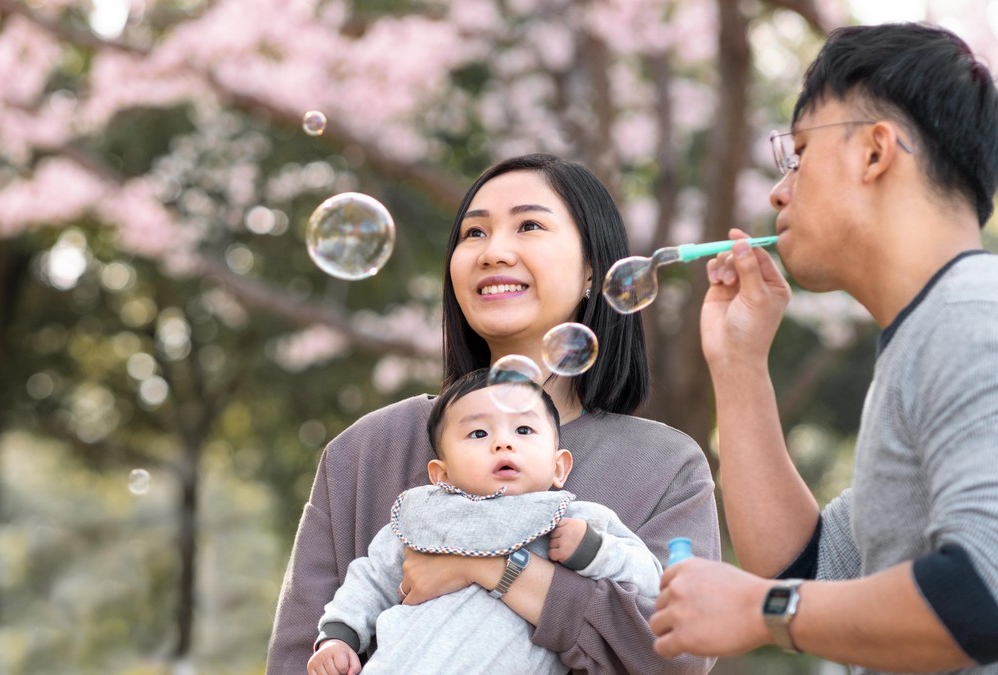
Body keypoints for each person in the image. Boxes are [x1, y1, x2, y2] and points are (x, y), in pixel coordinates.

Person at [268, 153, 719, 674]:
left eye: (529, 226)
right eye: (474, 233)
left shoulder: (665, 467)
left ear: (593, 270)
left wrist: (489, 569)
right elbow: (297, 658)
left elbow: (681, 652)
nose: (493, 252)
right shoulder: (367, 450)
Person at [650, 22, 998, 674]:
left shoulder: (973, 318)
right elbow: (806, 569)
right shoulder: (931, 331)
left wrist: (761, 609)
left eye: (800, 152)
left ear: (875, 152)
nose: (779, 191)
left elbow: (983, 590)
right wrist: (738, 363)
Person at [308, 369, 664, 674]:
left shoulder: (571, 520)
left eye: (523, 430)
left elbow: (650, 580)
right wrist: (338, 637)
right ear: (442, 474)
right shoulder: (425, 517)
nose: (503, 443)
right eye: (479, 434)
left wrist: (592, 551)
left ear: (559, 467)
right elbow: (370, 579)